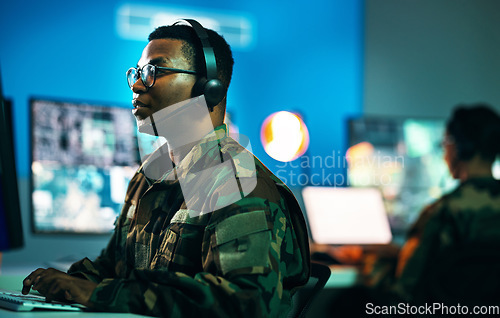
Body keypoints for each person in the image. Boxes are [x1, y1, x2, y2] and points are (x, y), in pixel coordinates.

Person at [22, 20, 310, 317]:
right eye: (137, 73)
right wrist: (72, 283)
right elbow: (114, 268)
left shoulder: (237, 182)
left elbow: (245, 302)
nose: (136, 85)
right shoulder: (149, 175)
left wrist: (100, 294)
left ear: (208, 89)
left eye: (153, 72)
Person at [393, 104, 500, 303]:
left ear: (460, 147)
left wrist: (371, 262)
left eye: (446, 142)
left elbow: (407, 284)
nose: (444, 151)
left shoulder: (444, 210)